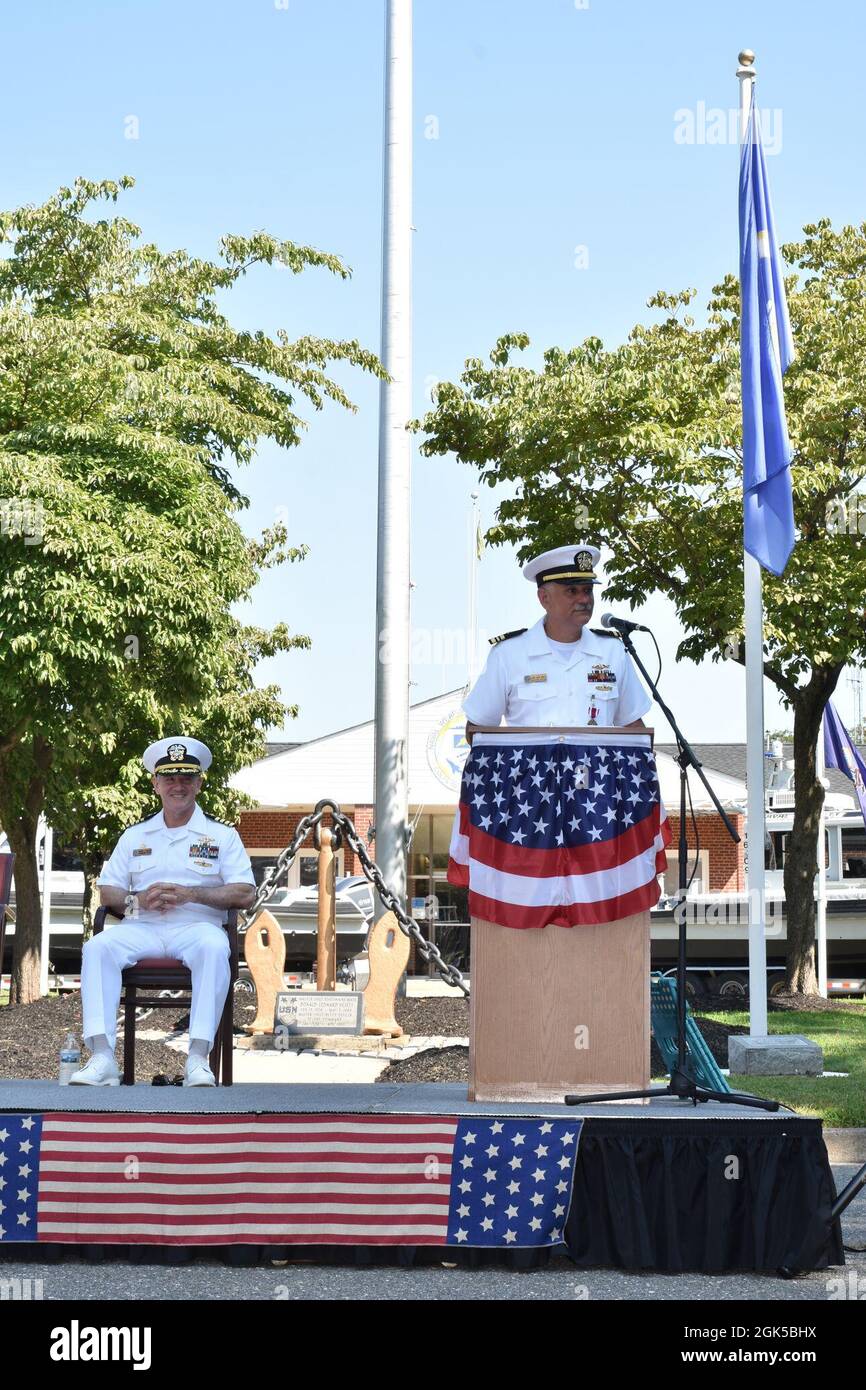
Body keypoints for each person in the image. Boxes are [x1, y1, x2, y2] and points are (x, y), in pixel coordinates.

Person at [69, 737, 256, 1087]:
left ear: (199, 783)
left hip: (197, 927)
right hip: (144, 925)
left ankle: (198, 1059)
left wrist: (191, 894)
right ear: (156, 785)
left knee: (215, 947)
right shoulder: (135, 835)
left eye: (187, 778)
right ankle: (102, 1057)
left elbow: (245, 891)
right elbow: (108, 892)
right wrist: (138, 901)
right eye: (169, 778)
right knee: (97, 948)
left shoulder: (221, 836)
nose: (178, 786)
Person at [464, 544, 651, 735]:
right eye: (572, 591)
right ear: (544, 598)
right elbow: (477, 728)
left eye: (587, 591)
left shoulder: (612, 651)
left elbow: (633, 725)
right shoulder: (508, 654)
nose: (584, 600)